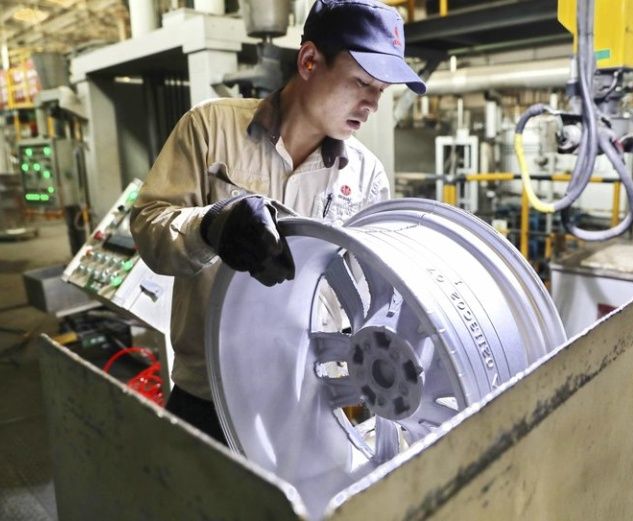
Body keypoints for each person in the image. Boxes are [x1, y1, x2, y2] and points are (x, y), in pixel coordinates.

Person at [130, 0, 426, 444]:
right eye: (362, 82)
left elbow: (373, 293)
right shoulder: (211, 129)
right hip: (209, 397)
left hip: (308, 403)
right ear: (309, 61)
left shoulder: (366, 176)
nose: (371, 105)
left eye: (381, 91)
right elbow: (150, 230)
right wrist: (212, 226)